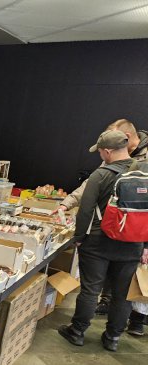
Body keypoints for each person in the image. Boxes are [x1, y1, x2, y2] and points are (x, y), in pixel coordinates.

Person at [58, 129, 144, 352]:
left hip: (98, 241)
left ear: (107, 151)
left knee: (90, 289)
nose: (100, 156)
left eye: (100, 152)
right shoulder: (143, 172)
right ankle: (113, 337)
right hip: (132, 244)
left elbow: (86, 210)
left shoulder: (101, 174)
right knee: (122, 294)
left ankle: (77, 332)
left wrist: (79, 238)